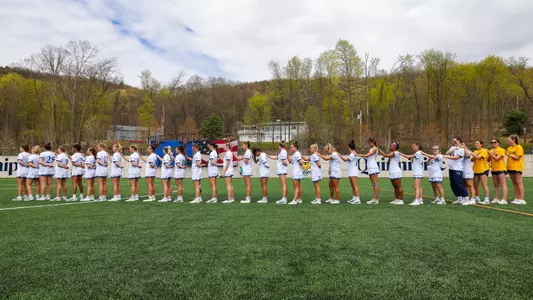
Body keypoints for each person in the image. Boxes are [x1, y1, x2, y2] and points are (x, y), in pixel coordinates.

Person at [444, 137, 468, 204]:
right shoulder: (453, 148)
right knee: (453, 185)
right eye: (453, 141)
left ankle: (466, 198)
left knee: (459, 184)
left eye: (455, 141)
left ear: (459, 140)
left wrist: (444, 156)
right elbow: (447, 152)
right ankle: (459, 198)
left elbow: (456, 157)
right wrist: (455, 148)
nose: (453, 142)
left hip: (457, 169)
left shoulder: (462, 149)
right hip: (451, 168)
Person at [357, 138, 380, 204]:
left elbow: (367, 155)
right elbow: (367, 156)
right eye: (368, 143)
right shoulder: (371, 149)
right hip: (370, 167)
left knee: (375, 183)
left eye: (370, 143)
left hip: (373, 167)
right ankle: (375, 198)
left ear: (373, 142)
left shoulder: (375, 148)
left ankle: (375, 199)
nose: (369, 144)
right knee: (373, 184)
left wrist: (358, 154)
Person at [506, 135, 526, 205]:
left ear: (514, 140)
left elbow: (517, 158)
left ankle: (522, 199)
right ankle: (516, 198)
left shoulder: (519, 147)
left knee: (519, 182)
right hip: (510, 168)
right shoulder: (508, 148)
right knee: (514, 184)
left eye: (509, 140)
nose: (508, 141)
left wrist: (509, 155)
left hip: (517, 167)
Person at [488, 139, 508, 205]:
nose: (493, 143)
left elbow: (497, 158)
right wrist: (489, 154)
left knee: (503, 184)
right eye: (492, 142)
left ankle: (504, 200)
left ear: (498, 143)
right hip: (494, 169)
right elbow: (488, 160)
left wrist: (491, 154)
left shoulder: (501, 150)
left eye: (495, 142)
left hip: (501, 169)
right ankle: (496, 198)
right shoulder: (491, 150)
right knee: (496, 185)